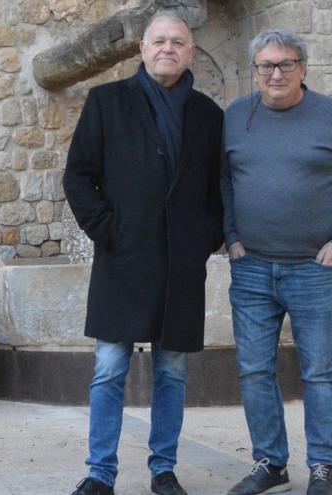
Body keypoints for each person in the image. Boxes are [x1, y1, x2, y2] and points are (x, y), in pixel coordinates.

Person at [63, 10, 224, 495]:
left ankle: (163, 469)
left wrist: (203, 241)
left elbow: (219, 187)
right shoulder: (106, 102)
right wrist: (107, 229)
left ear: (190, 52)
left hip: (181, 264)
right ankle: (99, 472)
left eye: (177, 41)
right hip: (123, 259)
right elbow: (78, 176)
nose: (167, 49)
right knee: (109, 368)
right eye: (158, 41)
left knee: (171, 372)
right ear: (142, 49)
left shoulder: (208, 115)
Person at [220, 28, 332, 495]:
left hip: (314, 269)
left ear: (303, 68)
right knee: (253, 371)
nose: (275, 73)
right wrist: (231, 238)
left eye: (285, 64)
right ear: (256, 71)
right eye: (266, 65)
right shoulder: (234, 118)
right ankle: (270, 463)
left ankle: (322, 468)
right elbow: (223, 183)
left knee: (320, 371)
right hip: (251, 270)